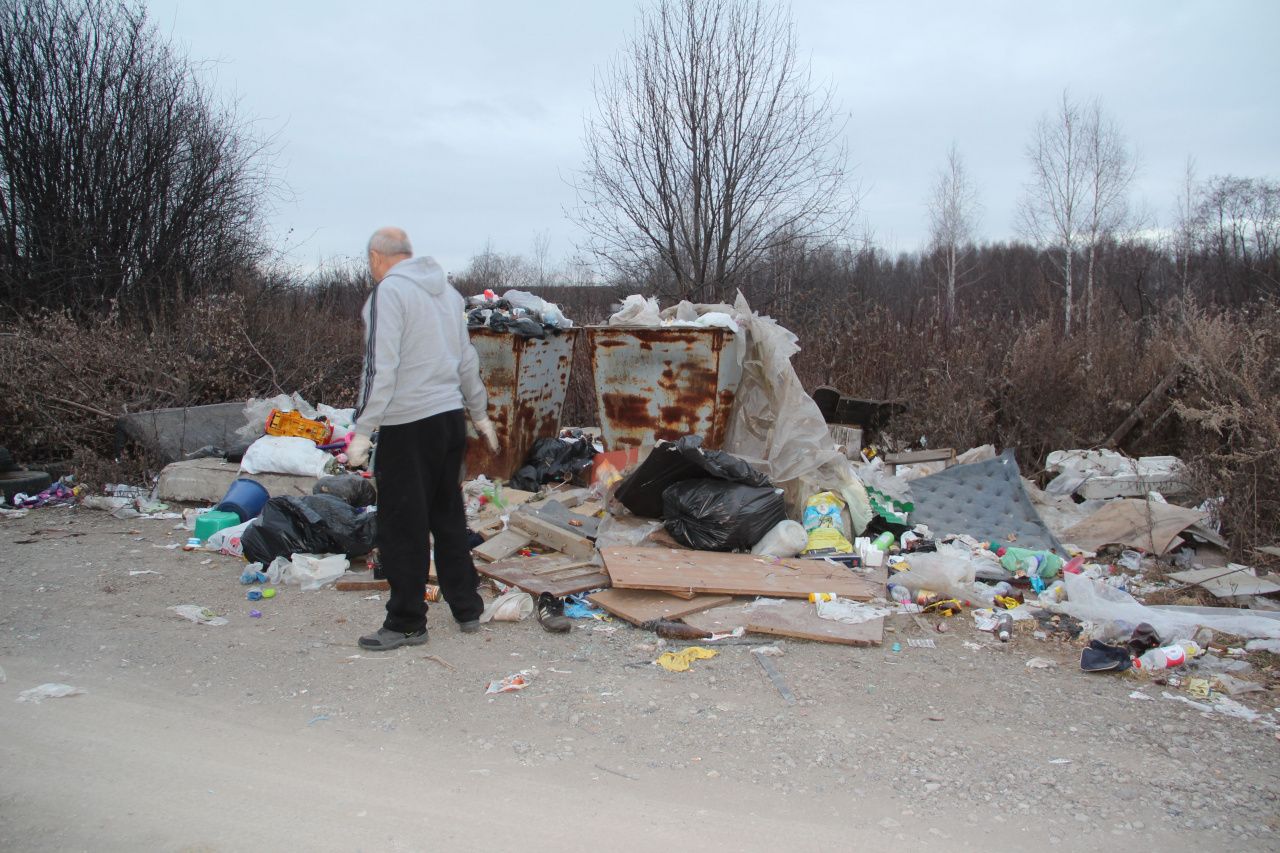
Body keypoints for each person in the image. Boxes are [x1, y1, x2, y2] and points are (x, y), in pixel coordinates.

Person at [348, 227, 500, 651]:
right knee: (447, 516)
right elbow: (466, 359)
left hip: (407, 423)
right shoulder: (448, 295)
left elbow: (381, 367)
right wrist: (479, 412)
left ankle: (406, 622)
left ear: (378, 257)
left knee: (402, 525)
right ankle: (467, 608)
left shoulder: (389, 293)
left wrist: (363, 429)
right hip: (448, 419)